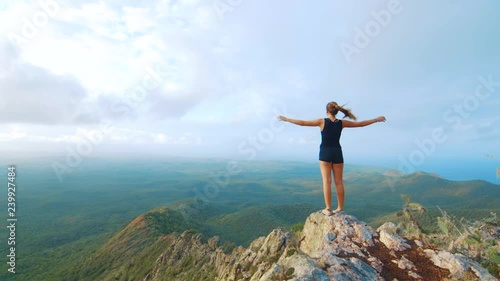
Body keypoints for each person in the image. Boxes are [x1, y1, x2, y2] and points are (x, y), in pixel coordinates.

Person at [278, 101, 386, 216]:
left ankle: (328, 209)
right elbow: (361, 124)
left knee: (326, 181)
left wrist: (286, 119)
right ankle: (340, 208)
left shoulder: (322, 121)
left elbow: (303, 123)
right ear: (337, 111)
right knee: (339, 182)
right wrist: (376, 119)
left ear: (326, 111)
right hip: (337, 152)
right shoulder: (342, 123)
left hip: (325, 153)